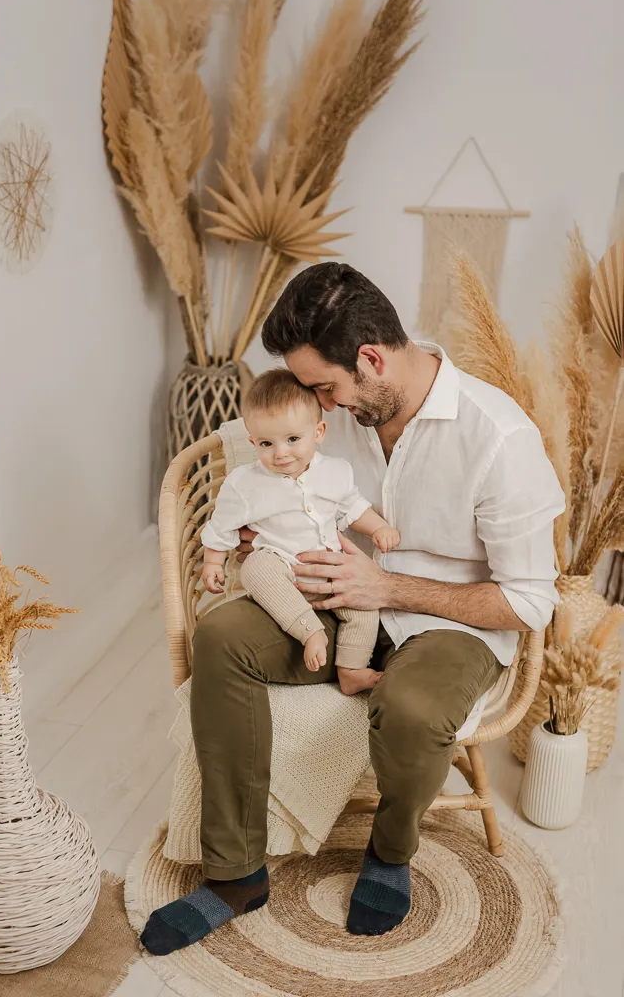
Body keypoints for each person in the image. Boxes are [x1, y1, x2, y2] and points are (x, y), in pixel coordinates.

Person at [141, 262, 564, 955]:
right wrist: (259, 523)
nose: (320, 408)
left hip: (448, 621)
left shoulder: (498, 440)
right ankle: (234, 874)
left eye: (323, 388)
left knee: (414, 707)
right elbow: (273, 458)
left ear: (370, 360)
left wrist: (389, 589)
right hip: (328, 597)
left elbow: (528, 600)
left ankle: (389, 855)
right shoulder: (333, 416)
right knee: (221, 638)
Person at [201, 368, 401, 696]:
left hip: (328, 571)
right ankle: (310, 632)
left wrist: (378, 527)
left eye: (293, 439)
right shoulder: (244, 484)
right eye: (266, 443)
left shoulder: (334, 472)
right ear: (252, 441)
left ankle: (351, 670)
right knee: (255, 568)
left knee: (365, 610)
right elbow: (221, 527)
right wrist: (212, 563)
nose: (280, 453)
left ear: (318, 432)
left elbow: (352, 508)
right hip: (281, 570)